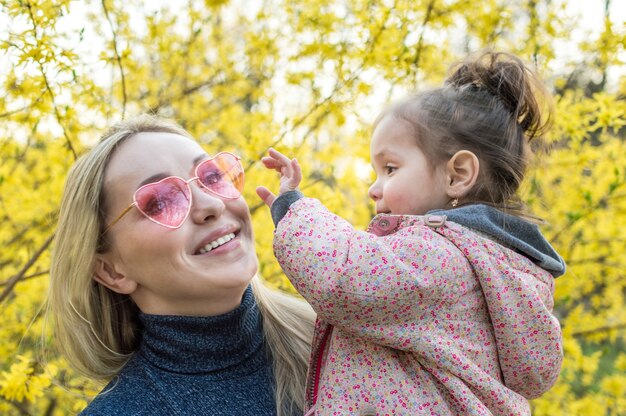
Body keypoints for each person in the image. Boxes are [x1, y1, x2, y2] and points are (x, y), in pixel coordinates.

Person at [256, 51, 565, 415]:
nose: (374, 188)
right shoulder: (494, 267)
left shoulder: (439, 256)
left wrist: (295, 210)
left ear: (457, 175)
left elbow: (342, 277)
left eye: (390, 168)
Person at [47, 114, 315, 416]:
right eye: (160, 201)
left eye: (213, 177)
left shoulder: (338, 336)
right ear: (111, 271)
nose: (211, 205)